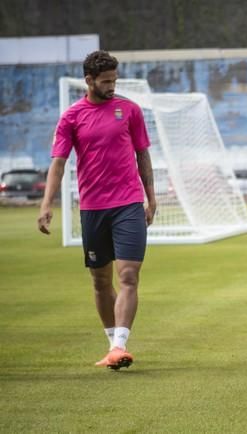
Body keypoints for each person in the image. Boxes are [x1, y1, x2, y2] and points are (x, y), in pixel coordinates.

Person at [37, 50, 156, 370]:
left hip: (128, 204)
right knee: (100, 282)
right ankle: (112, 345)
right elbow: (58, 165)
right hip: (92, 209)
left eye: (115, 80)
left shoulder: (130, 111)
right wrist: (47, 204)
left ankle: (120, 345)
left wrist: (151, 197)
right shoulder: (71, 118)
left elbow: (143, 155)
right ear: (88, 81)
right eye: (106, 81)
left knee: (128, 275)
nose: (112, 86)